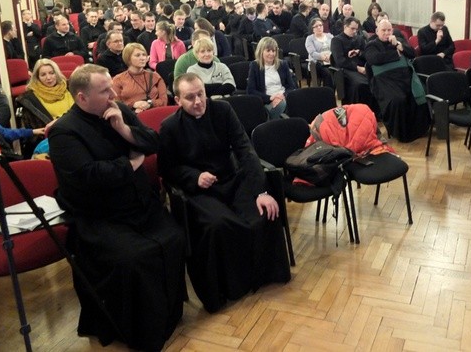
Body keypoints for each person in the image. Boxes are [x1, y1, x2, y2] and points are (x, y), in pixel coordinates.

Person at [49, 64, 185, 350]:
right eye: (104, 90)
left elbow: (152, 140)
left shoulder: (118, 110)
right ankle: (137, 328)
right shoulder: (64, 132)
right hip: (99, 216)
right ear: (82, 97)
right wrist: (132, 162)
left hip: (137, 205)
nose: (113, 93)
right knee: (134, 258)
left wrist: (124, 129)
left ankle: (167, 315)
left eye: (111, 87)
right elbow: (90, 177)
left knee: (173, 238)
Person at [158, 73, 291, 313]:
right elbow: (168, 169)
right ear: (177, 100)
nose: (198, 101)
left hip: (232, 178)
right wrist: (194, 177)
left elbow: (244, 149)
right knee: (220, 225)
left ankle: (262, 276)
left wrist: (260, 190)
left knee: (265, 211)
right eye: (190, 97)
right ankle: (231, 288)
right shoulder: (169, 127)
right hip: (199, 190)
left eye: (201, 94)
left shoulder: (223, 110)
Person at [364, 19, 428, 142]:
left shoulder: (398, 41)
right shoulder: (372, 44)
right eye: (383, 30)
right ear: (377, 31)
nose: (387, 33)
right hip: (385, 81)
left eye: (389, 30)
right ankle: (400, 133)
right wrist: (396, 55)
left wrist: (399, 46)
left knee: (418, 95)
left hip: (404, 77)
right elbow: (373, 59)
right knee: (397, 100)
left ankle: (419, 130)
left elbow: (412, 54)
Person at [16, 58, 75, 130]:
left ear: (56, 74)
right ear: (37, 77)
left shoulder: (70, 87)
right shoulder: (30, 99)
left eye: (51, 73)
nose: (48, 78)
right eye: (43, 75)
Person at [248, 37, 297, 119]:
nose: (271, 54)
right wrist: (270, 98)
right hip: (267, 101)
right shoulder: (255, 66)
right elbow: (251, 91)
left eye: (273, 51)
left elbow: (292, 86)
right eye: (268, 51)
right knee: (283, 106)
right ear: (261, 51)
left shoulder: (283, 64)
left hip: (283, 97)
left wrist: (282, 96)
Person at [331, 16, 375, 107]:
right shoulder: (336, 40)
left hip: (361, 66)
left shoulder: (359, 39)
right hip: (346, 69)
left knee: (373, 80)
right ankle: (356, 108)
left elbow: (366, 54)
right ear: (345, 27)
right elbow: (340, 61)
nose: (355, 31)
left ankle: (371, 110)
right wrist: (357, 68)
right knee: (360, 84)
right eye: (352, 29)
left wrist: (359, 52)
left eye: (356, 29)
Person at [112, 43, 167, 113]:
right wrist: (133, 104)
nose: (142, 58)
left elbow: (164, 101)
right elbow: (116, 103)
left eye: (144, 55)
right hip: (129, 115)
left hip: (154, 112)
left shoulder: (155, 76)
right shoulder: (118, 79)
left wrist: (150, 104)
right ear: (128, 58)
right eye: (137, 55)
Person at [305, 17, 334, 89]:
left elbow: (335, 49)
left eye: (320, 25)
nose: (319, 27)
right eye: (316, 26)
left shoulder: (330, 36)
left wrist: (330, 57)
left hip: (330, 61)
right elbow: (312, 53)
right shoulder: (310, 38)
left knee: (338, 71)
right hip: (317, 63)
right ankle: (327, 93)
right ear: (312, 29)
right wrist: (322, 57)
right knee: (328, 73)